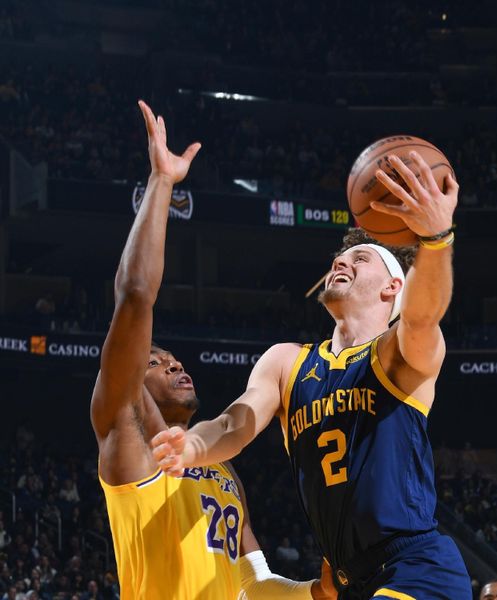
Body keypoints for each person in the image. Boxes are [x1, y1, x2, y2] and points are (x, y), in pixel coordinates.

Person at [152, 151, 471, 598]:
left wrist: (436, 240)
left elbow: (422, 316)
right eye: (340, 258)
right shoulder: (287, 362)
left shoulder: (399, 354)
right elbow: (232, 424)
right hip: (350, 581)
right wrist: (193, 446)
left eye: (359, 258)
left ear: (392, 287)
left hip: (416, 568)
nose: (341, 262)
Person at [91, 100, 334, 600]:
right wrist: (162, 183)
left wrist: (316, 592)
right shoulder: (125, 431)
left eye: (173, 358)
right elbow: (136, 295)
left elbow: (254, 582)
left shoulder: (223, 470)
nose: (174, 363)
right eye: (155, 361)